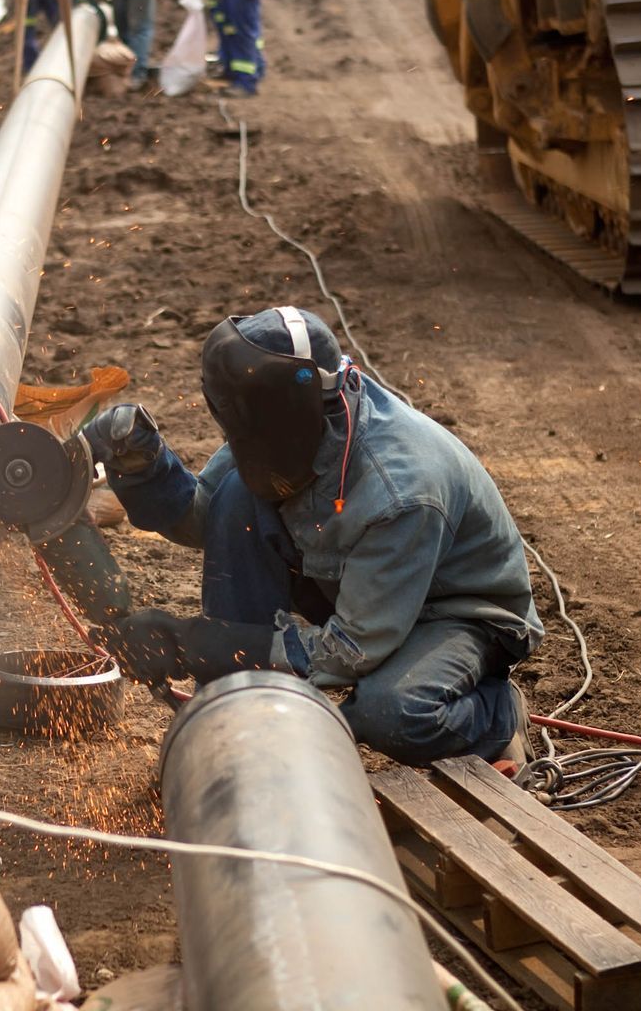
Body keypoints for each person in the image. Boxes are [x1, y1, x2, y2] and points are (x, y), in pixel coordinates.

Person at [83, 307, 540, 766]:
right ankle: (236, 710)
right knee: (239, 495)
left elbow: (351, 649)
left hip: (455, 613)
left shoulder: (401, 492)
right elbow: (205, 516)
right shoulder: (285, 425)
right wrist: (143, 465)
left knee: (390, 714)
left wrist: (194, 644)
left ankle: (498, 714)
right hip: (363, 583)